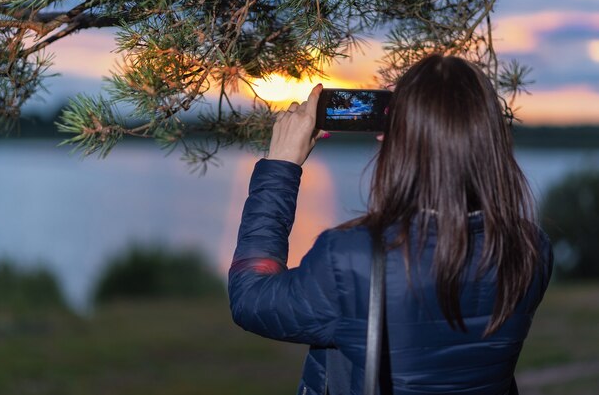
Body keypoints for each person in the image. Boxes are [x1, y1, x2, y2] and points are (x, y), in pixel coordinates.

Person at [228, 54, 553, 395]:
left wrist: (281, 165)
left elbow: (250, 299)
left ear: (398, 139)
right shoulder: (532, 249)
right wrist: (418, 126)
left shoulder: (353, 258)